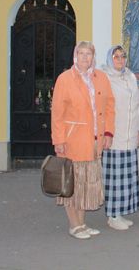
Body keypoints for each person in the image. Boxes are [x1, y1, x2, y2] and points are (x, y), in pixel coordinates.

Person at [51, 41, 116, 240]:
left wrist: (108, 133)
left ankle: (82, 223)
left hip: (95, 141)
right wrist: (59, 140)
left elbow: (110, 106)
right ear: (75, 56)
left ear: (93, 57)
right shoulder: (65, 79)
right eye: (81, 53)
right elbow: (57, 113)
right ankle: (74, 225)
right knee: (73, 183)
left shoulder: (101, 78)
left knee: (87, 184)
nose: (85, 58)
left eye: (89, 54)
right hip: (72, 141)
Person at [100, 45, 139, 231]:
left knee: (127, 176)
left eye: (122, 56)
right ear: (110, 58)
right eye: (116, 56)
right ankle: (112, 215)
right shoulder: (104, 77)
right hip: (114, 135)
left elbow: (137, 106)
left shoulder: (130, 76)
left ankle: (121, 211)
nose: (120, 59)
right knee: (114, 177)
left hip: (130, 132)